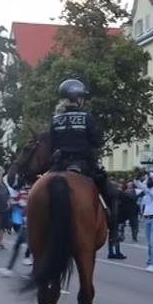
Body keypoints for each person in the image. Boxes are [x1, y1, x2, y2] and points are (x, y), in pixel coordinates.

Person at [47, 78, 117, 229]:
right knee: (109, 192)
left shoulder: (55, 119)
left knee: (42, 188)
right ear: (78, 99)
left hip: (59, 165)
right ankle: (113, 226)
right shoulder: (87, 117)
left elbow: (52, 146)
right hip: (83, 165)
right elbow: (96, 142)